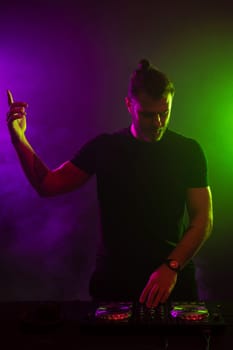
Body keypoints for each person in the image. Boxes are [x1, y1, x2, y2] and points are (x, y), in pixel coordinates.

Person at [6, 59, 213, 308]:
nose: (158, 123)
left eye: (164, 113)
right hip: (114, 283)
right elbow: (48, 185)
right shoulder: (104, 148)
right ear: (129, 105)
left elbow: (203, 220)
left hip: (173, 282)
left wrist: (171, 267)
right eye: (148, 115)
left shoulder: (188, 151)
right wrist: (19, 139)